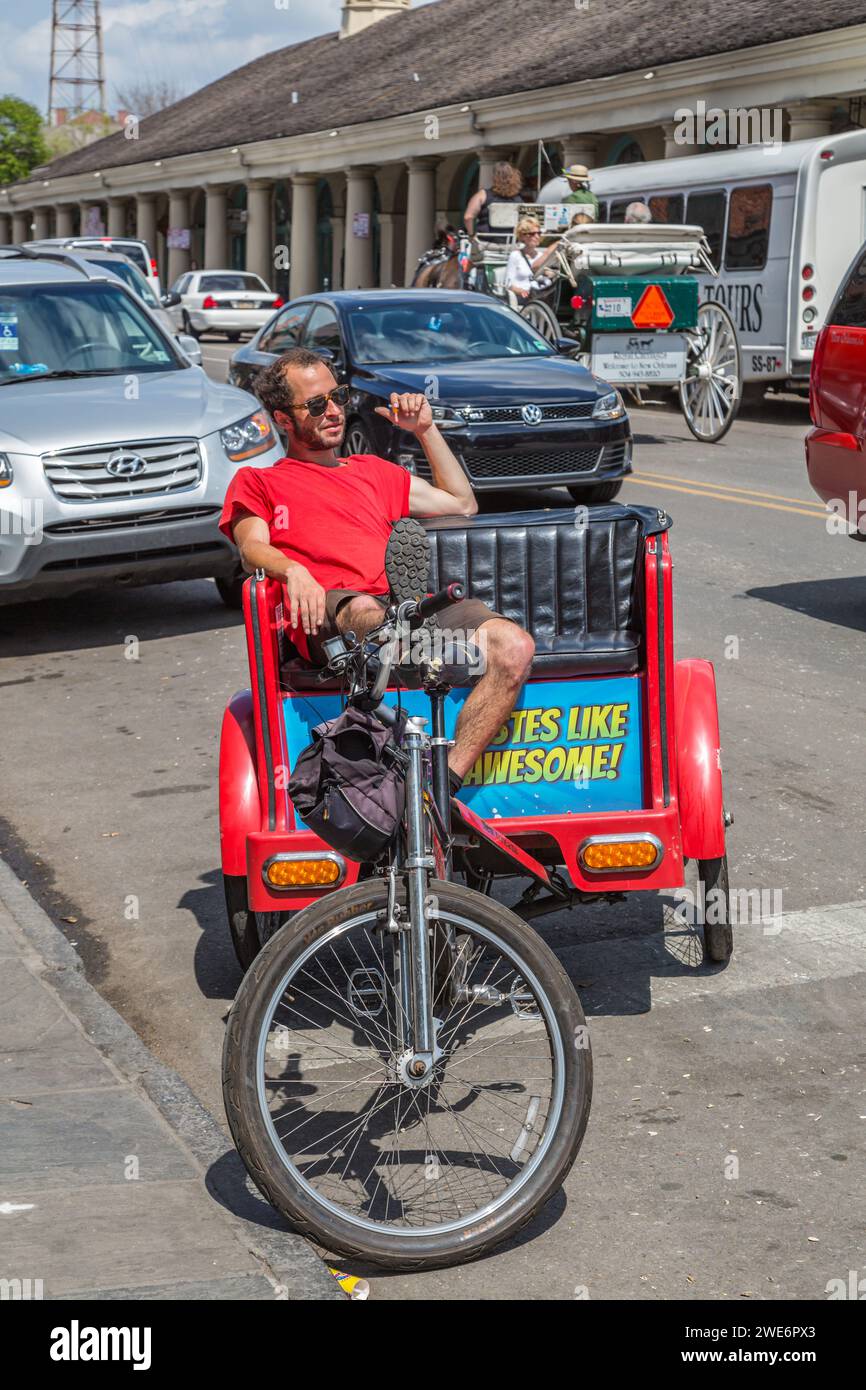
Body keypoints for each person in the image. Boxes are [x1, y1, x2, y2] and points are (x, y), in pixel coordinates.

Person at [219, 347, 535, 789]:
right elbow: (251, 547)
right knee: (365, 608)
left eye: (338, 397)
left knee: (513, 646)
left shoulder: (373, 471)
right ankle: (411, 645)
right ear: (283, 420)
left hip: (400, 607)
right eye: (315, 405)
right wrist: (293, 570)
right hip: (329, 611)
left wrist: (426, 430)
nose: (333, 411)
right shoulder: (260, 482)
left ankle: (441, 787)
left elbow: (462, 504)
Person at [504, 216, 560, 299]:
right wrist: (521, 291)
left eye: (539, 233)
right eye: (532, 234)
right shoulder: (515, 255)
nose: (537, 236)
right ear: (522, 236)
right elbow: (508, 284)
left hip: (541, 296)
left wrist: (550, 274)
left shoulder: (541, 257)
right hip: (522, 298)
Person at [464, 161, 525, 236]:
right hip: (511, 240)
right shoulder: (518, 199)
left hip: (486, 240)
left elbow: (468, 217)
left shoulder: (482, 195)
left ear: (494, 177)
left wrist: (471, 234)